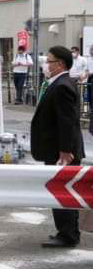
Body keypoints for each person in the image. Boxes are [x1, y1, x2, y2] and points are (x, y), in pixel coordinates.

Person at [32, 46, 85, 248]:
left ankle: (68, 234)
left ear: (60, 64)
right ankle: (66, 231)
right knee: (61, 190)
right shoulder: (57, 83)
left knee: (62, 190)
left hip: (61, 151)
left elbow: (67, 121)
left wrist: (65, 151)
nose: (46, 64)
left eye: (49, 61)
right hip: (56, 149)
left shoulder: (62, 85)